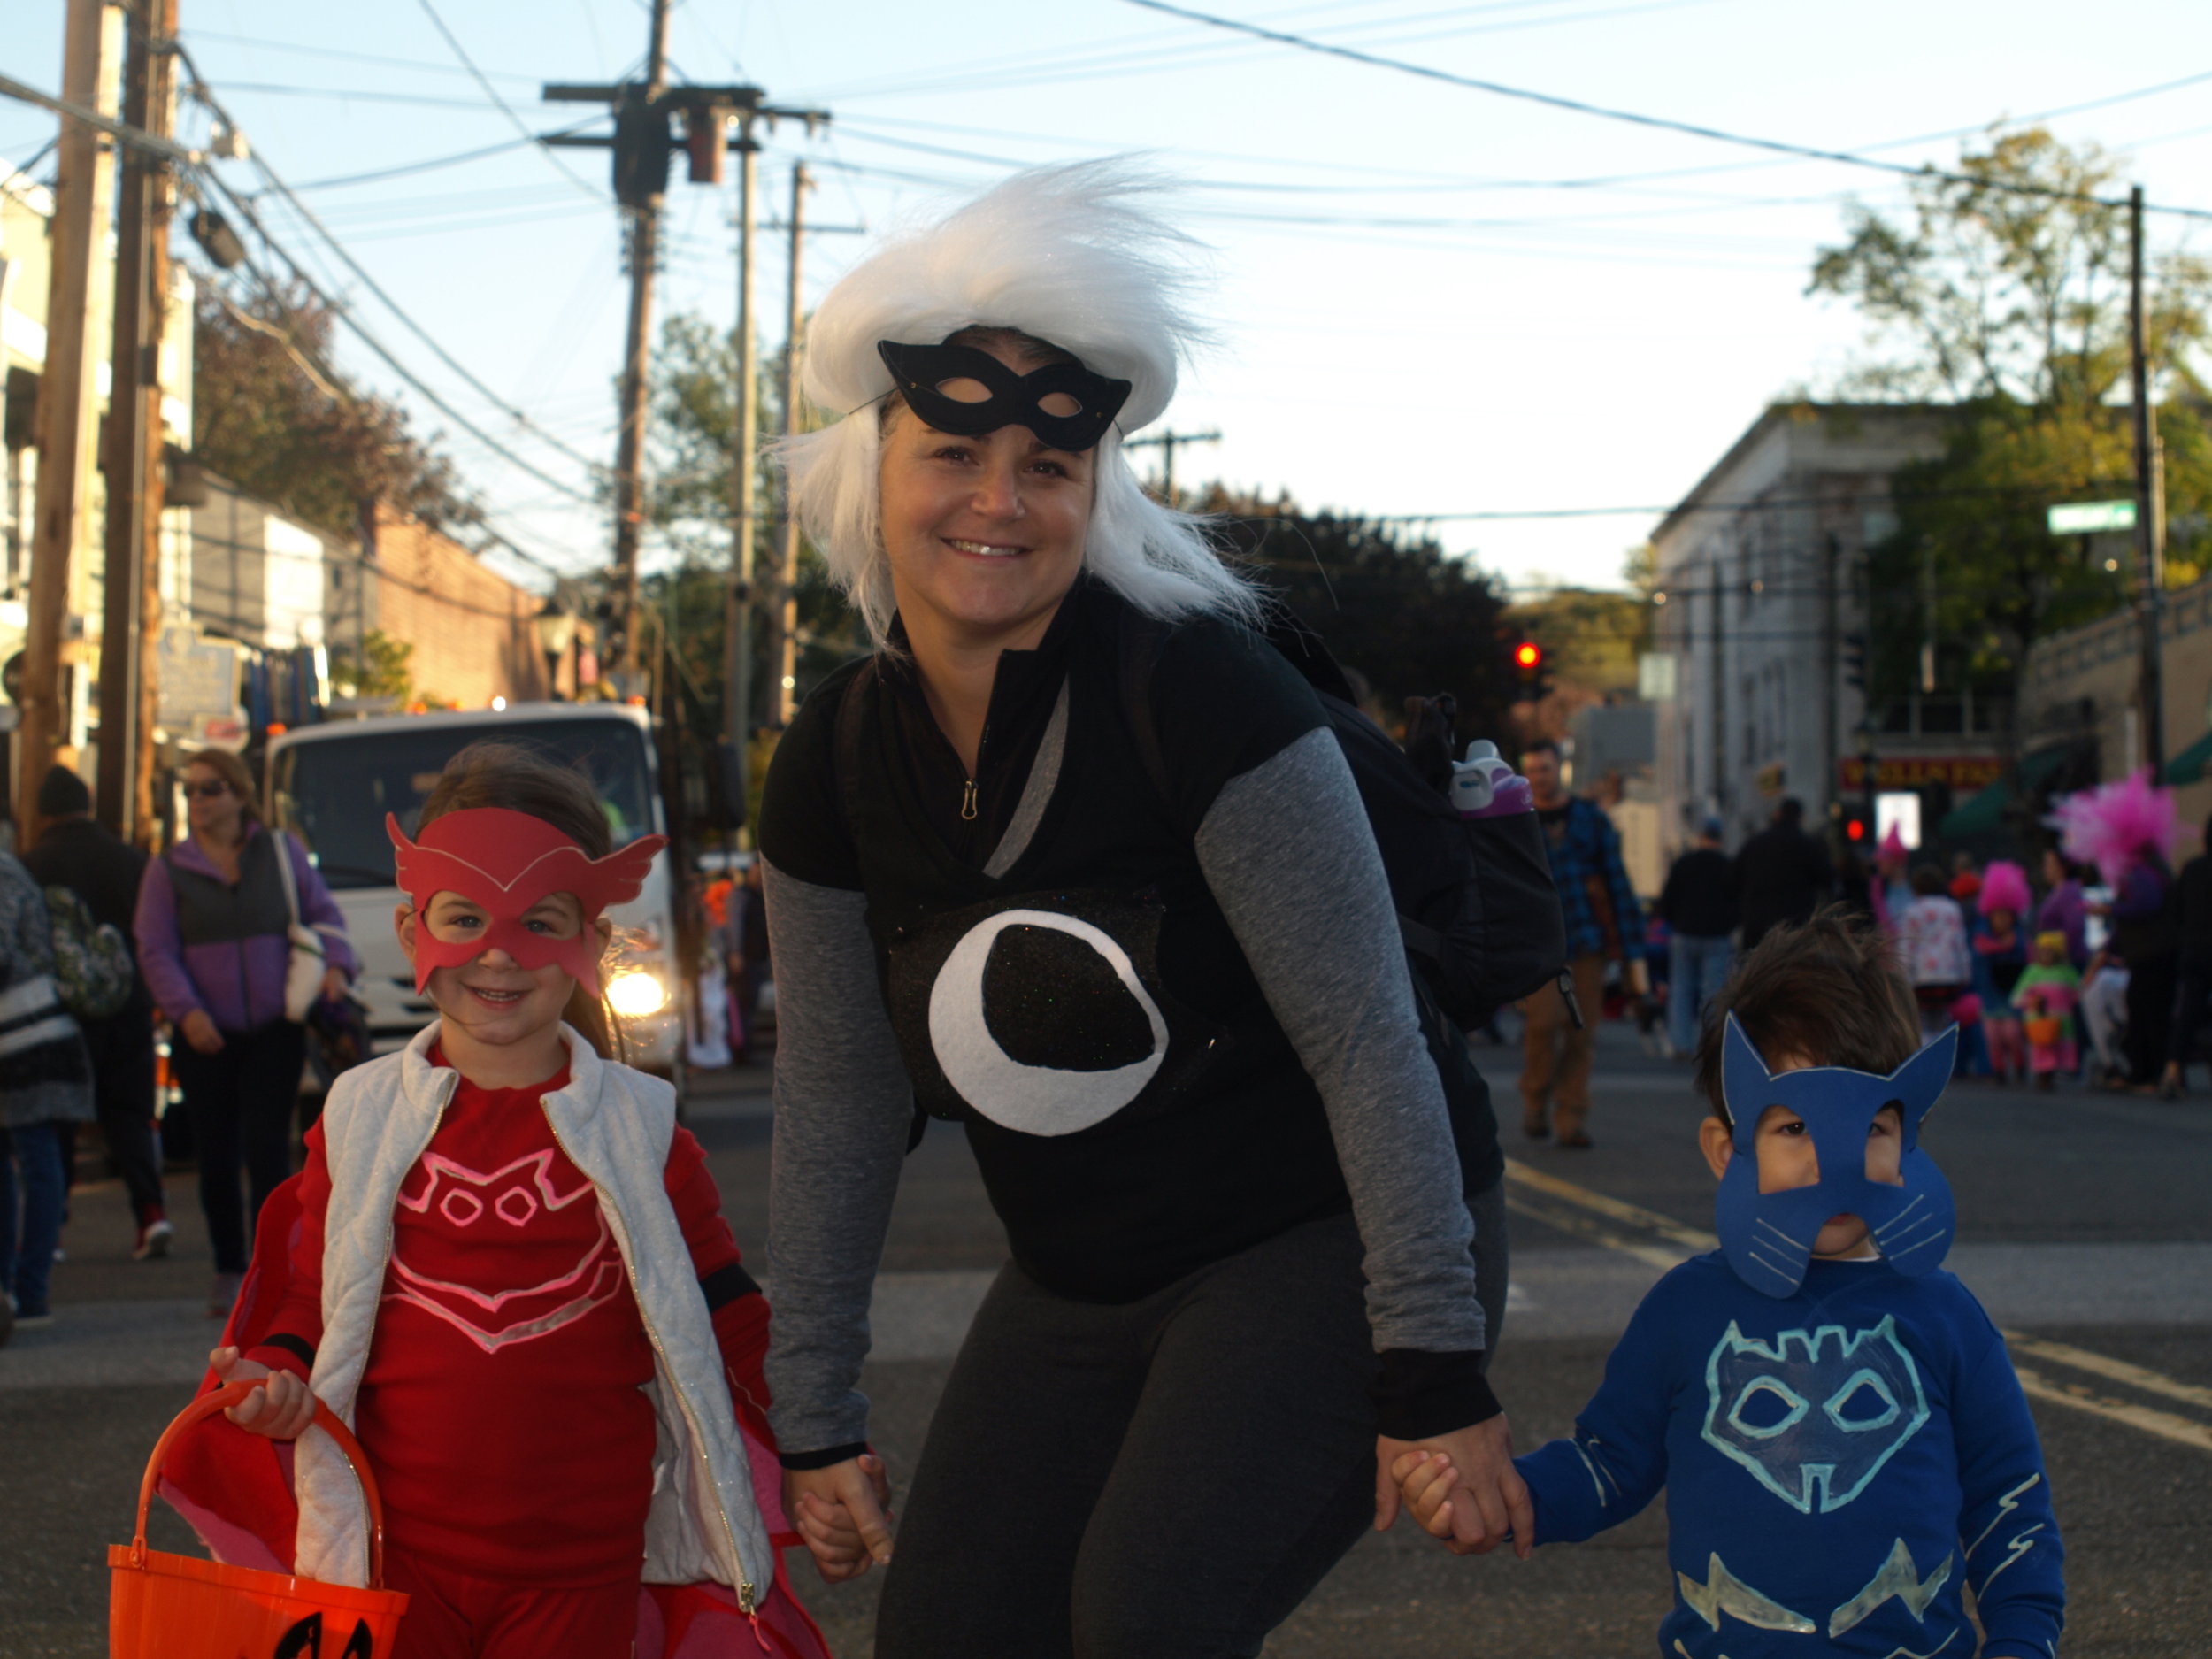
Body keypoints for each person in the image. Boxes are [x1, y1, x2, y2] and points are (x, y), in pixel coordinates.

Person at [757, 163, 1519, 1658]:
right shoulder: (836, 758)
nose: (998, 500)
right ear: (873, 467)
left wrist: (1432, 1365)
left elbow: (1372, 1037)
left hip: (1319, 1247)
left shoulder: (1202, 695)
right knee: (949, 1636)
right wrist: (814, 1415)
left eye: (1047, 467)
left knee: (1144, 1618)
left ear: (1097, 490)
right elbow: (839, 1101)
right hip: (1081, 1280)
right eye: (953, 450)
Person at [204, 744, 787, 1658]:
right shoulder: (357, 1119)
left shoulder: (643, 1132)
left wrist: (823, 1448)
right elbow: (311, 1307)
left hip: (583, 1564)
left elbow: (725, 1315)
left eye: (539, 921)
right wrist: (272, 1376)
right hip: (396, 1559)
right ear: (410, 932)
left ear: (589, 941)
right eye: (465, 916)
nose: (499, 952)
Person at [1394, 913, 2066, 1659]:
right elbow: (1607, 1463)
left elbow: (2012, 1504)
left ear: (1908, 1139)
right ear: (1727, 1148)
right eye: (1794, 1129)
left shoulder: (1947, 1317)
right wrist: (1498, 1497)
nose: (1831, 1161)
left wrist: (2021, 1639)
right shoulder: (1687, 1312)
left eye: (1870, 1127)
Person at [134, 748, 356, 1317]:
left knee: (267, 1149)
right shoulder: (169, 869)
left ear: (238, 794)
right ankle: (229, 1267)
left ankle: (277, 1267)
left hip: (274, 1026)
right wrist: (186, 1011)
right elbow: (155, 949)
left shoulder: (280, 853)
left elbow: (325, 913)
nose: (198, 801)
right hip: (204, 1032)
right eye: (190, 792)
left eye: (210, 789)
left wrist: (335, 964)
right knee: (216, 1154)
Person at [22, 764, 168, 1259]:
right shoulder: (130, 860)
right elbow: (153, 934)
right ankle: (151, 1215)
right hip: (128, 1003)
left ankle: (53, 1231)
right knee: (130, 1113)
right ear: (86, 803)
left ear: (43, 813)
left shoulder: (32, 866)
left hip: (61, 1013)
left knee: (61, 1118)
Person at [1520, 736, 1645, 1147]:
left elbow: (1616, 882)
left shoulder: (1589, 818)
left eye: (1546, 767)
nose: (1540, 776)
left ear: (1559, 769)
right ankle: (1535, 1099)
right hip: (1538, 946)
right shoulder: (1518, 820)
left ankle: (1570, 1116)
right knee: (1542, 1025)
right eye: (1533, 769)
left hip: (1586, 942)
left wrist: (1631, 949)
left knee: (1579, 1032)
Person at [0, 849, 94, 1327]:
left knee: (34, 1161)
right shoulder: (13, 868)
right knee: (37, 1162)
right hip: (36, 1028)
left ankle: (24, 1291)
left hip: (22, 1036)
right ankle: (23, 1291)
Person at [1658, 816, 1736, 1059]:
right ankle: (1711, 1046)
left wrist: (1675, 920)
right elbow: (1737, 901)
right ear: (1720, 837)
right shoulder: (1727, 865)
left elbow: (1667, 899)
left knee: (1680, 990)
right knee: (1713, 991)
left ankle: (1681, 1044)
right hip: (1716, 935)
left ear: (1700, 836)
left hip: (1684, 933)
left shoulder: (1684, 863)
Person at [1733, 796, 1833, 950]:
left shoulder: (1755, 844)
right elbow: (1828, 879)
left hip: (1757, 923)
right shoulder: (1807, 845)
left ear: (1778, 814)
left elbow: (1733, 877)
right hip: (1795, 924)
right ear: (1800, 817)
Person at [2159, 817, 2212, 1099]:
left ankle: (2172, 1069)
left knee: (2187, 1013)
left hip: (2192, 951)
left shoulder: (2191, 869)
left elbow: (2176, 911)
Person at [1972, 860, 2031, 1086]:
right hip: (1989, 996)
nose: (2002, 920)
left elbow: (2025, 960)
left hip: (2011, 996)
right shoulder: (1981, 938)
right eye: (1997, 915)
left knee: (2013, 1034)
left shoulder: (2019, 940)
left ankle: (2018, 1063)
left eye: (2006, 915)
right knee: (1993, 1038)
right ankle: (1999, 1070)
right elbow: (1977, 959)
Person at [1897, 864, 1970, 1039]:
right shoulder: (1952, 908)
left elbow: (1907, 947)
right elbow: (1959, 943)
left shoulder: (1912, 911)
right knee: (1945, 1019)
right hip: (1949, 974)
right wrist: (1965, 973)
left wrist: (1903, 977)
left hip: (1922, 977)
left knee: (1923, 1022)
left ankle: (1928, 1056)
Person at [2015, 931, 2083, 1092]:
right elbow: (2017, 998)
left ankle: (2050, 1077)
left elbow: (2078, 993)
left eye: (2049, 951)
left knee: (2057, 1049)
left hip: (2061, 1022)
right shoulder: (2032, 972)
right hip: (2038, 1021)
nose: (2045, 955)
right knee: (2041, 1048)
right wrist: (2032, 1001)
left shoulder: (2067, 972)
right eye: (2042, 951)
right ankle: (2043, 1077)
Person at [2034, 847, 2088, 968]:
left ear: (2062, 867)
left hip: (2066, 963)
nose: (2045, 868)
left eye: (2048, 864)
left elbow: (2075, 926)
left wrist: (2058, 952)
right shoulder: (2060, 891)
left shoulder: (2069, 892)